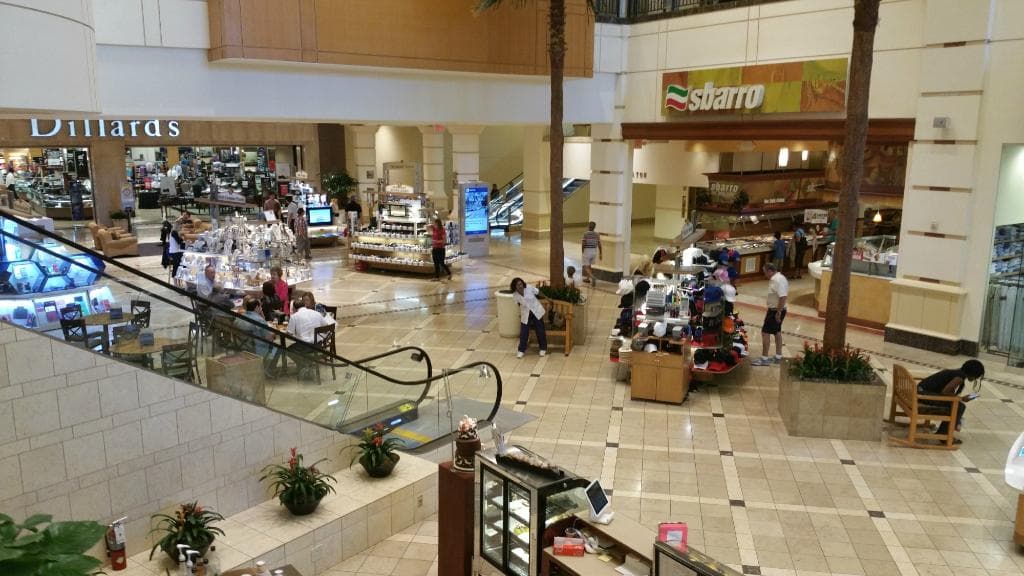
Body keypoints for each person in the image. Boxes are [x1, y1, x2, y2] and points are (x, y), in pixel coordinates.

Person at [917, 360, 985, 442]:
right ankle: (944, 434)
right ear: (973, 374)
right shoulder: (959, 377)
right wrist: (962, 399)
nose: (976, 379)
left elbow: (947, 391)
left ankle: (946, 430)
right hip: (924, 396)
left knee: (956, 404)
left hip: (920, 391)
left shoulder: (956, 372)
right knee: (959, 406)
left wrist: (957, 398)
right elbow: (946, 392)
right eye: (976, 376)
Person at [287, 297, 336, 379]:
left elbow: (289, 333)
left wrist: (297, 333)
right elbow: (326, 327)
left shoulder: (294, 317)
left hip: (305, 347)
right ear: (304, 305)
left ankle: (304, 365)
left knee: (288, 350)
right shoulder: (316, 313)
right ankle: (306, 365)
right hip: (319, 346)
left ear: (295, 308)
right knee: (298, 347)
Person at [751, 263, 788, 366]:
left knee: (765, 332)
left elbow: (783, 297)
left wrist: (778, 312)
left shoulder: (777, 280)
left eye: (765, 272)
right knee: (777, 332)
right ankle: (778, 356)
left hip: (775, 310)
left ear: (770, 271)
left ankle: (764, 358)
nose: (764, 274)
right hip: (777, 309)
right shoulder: (779, 278)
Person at [511, 277, 547, 359]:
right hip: (526, 314)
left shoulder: (529, 287)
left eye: (520, 284)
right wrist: (522, 312)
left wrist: (547, 298)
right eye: (517, 285)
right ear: (515, 287)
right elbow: (518, 304)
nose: (520, 286)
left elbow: (538, 292)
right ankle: (521, 350)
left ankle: (543, 348)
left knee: (540, 330)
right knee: (524, 332)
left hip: (536, 311)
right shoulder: (515, 295)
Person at [581, 221, 602, 286]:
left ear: (588, 226)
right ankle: (587, 279)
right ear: (594, 227)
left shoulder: (585, 234)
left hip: (587, 251)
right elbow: (599, 244)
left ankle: (592, 277)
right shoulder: (597, 234)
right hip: (594, 251)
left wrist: (582, 251)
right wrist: (601, 253)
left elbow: (583, 243)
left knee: (585, 266)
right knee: (589, 265)